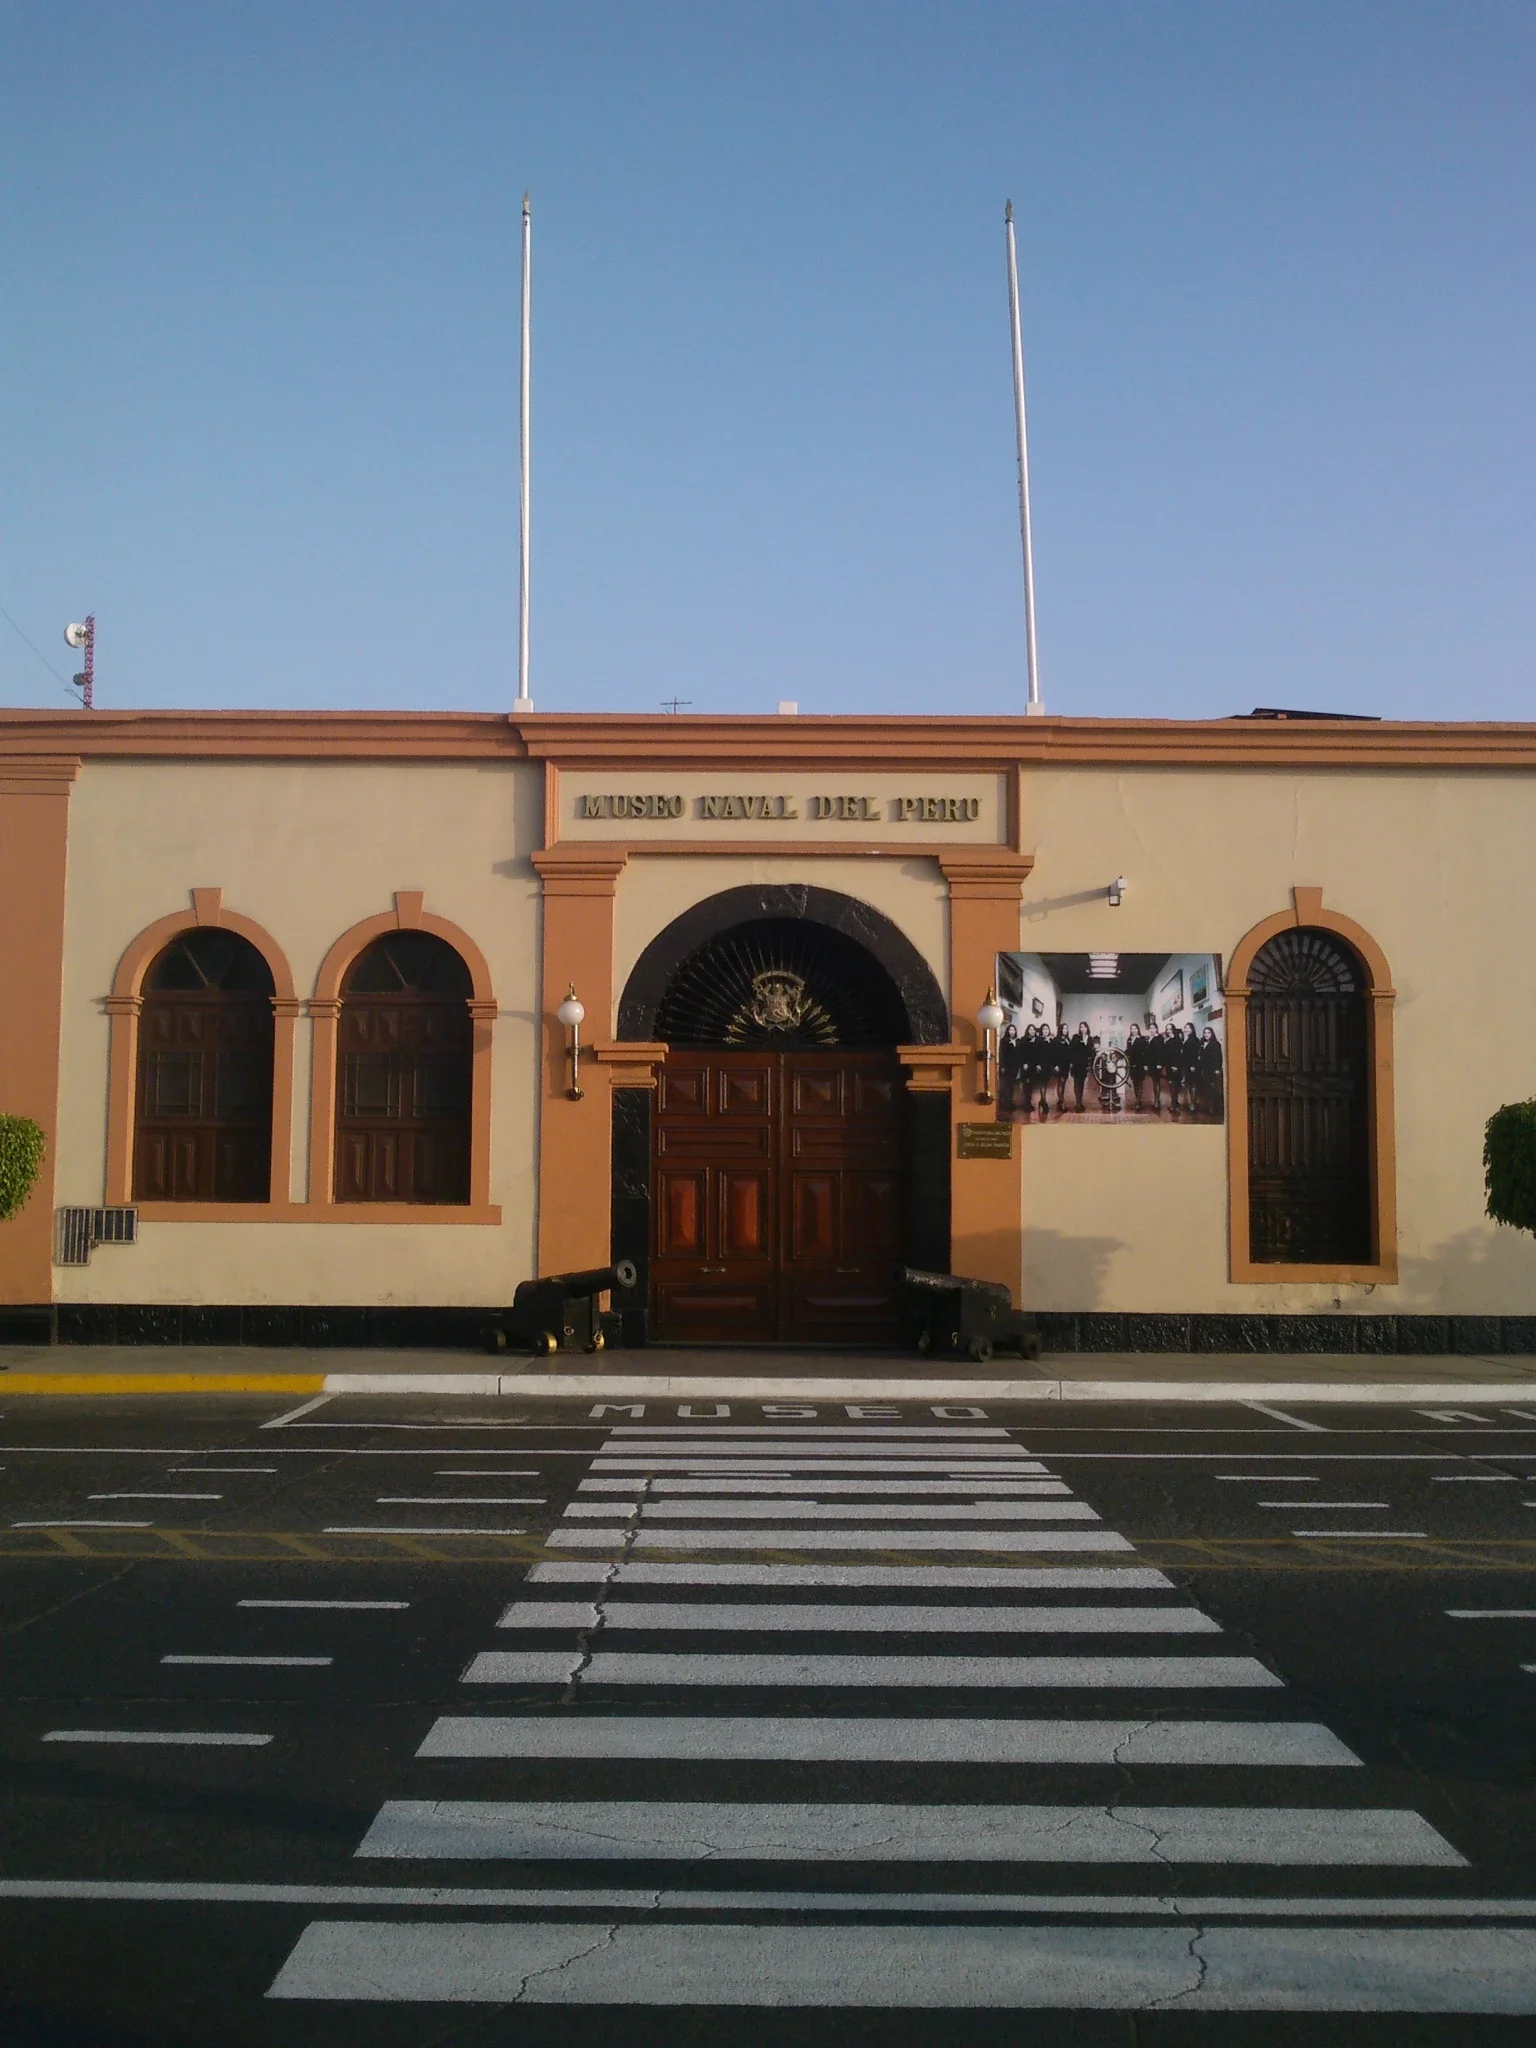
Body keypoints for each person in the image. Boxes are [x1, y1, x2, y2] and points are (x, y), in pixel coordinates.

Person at [1067, 1021, 1096, 1111]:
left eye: (1084, 1027)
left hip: (1084, 1064)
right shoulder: (1076, 1037)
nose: (1083, 1029)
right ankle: (1078, 1103)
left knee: (1082, 1083)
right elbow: (1071, 1050)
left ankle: (1080, 1101)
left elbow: (1091, 1052)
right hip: (1076, 1063)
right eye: (1081, 1027)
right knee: (1076, 1082)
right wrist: (1071, 1062)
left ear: (1087, 1028)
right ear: (1079, 1029)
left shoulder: (1090, 1039)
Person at [1198, 1024, 1224, 1121]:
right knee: (1207, 1089)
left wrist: (1217, 1069)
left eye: (1208, 1033)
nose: (1206, 1034)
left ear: (1212, 1034)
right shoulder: (1202, 1043)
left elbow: (1218, 1057)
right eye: (1205, 1033)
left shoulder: (1216, 1044)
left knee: (1214, 1089)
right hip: (1204, 1069)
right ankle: (1209, 1106)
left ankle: (1215, 1108)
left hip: (1213, 1069)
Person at [1126, 1023, 1147, 1111]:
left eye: (1135, 1028)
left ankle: (1138, 1101)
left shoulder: (1142, 1039)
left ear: (1138, 1029)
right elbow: (1127, 1050)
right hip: (1132, 1064)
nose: (1133, 1030)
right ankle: (1137, 1099)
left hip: (1140, 1064)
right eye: (1132, 1029)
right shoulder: (1129, 1039)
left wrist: (1145, 1064)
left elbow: (1145, 1052)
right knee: (1134, 1083)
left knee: (1139, 1083)